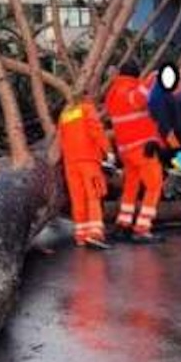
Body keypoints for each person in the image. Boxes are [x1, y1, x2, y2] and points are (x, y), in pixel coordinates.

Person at [104, 61, 165, 243]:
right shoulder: (130, 90)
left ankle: (124, 223)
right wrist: (154, 77)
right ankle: (142, 228)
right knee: (154, 185)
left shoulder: (113, 93)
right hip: (142, 147)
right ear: (135, 75)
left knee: (131, 186)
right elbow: (141, 98)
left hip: (126, 149)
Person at [58, 98, 113, 250]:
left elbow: (61, 140)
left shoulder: (65, 115)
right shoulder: (87, 109)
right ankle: (95, 234)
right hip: (88, 159)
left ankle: (81, 235)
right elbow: (96, 130)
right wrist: (108, 151)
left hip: (70, 163)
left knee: (78, 199)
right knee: (93, 196)